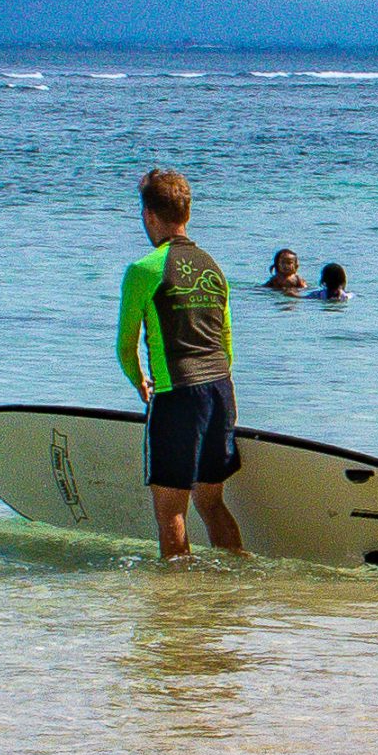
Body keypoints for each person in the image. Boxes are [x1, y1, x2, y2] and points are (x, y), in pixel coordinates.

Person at [118, 168, 242, 558]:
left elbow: (125, 346)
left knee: (172, 512)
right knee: (211, 503)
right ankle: (237, 588)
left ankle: (177, 608)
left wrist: (139, 380)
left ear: (149, 215)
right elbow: (227, 344)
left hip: (178, 397)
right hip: (221, 393)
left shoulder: (144, 270)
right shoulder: (213, 267)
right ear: (186, 213)